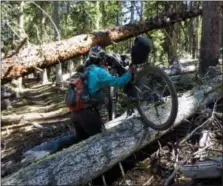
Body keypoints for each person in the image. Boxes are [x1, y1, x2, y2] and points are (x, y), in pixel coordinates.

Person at [70, 45, 136, 142]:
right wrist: (129, 73)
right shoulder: (99, 72)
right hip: (88, 114)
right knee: (100, 142)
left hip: (74, 114)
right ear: (100, 59)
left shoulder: (84, 70)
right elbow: (118, 82)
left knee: (82, 142)